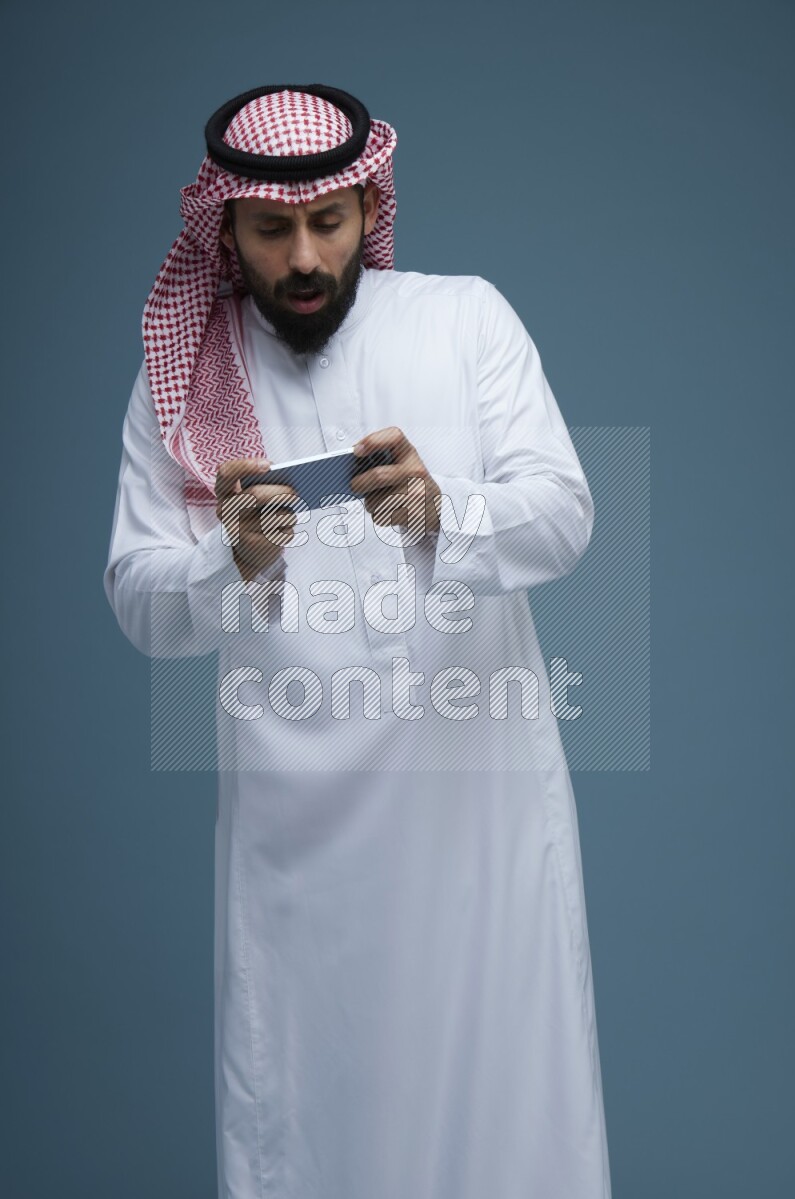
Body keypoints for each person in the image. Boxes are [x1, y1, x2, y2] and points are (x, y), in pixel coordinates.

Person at [105, 84, 612, 1198]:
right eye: (271, 229)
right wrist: (227, 559)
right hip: (299, 857)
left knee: (505, 1125)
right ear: (224, 228)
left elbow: (564, 516)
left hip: (475, 833)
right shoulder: (186, 378)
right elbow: (139, 601)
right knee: (311, 1128)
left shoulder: (463, 319)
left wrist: (444, 512)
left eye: (327, 221)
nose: (303, 257)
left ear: (370, 204)